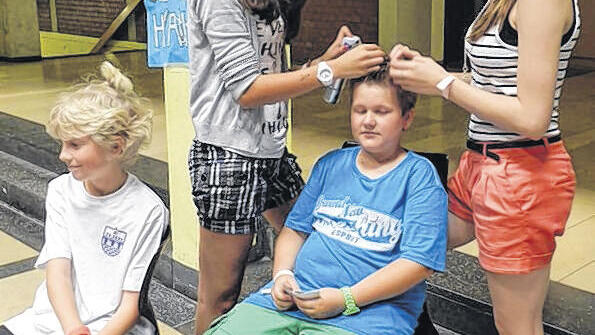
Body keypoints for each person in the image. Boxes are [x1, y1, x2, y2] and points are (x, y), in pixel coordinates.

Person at [200, 67, 448, 335]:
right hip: (294, 301)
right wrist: (282, 275)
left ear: (406, 118)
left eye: (381, 112)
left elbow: (418, 263)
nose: (368, 121)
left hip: (369, 315)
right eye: (360, 110)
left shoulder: (419, 176)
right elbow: (295, 229)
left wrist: (347, 299)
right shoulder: (330, 164)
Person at [187, 0, 386, 332]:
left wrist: (327, 59)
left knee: (312, 244)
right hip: (227, 156)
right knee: (219, 296)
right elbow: (247, 89)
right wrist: (332, 71)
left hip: (271, 151)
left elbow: (272, 75)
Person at [389, 0, 579, 334]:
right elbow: (496, 80)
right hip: (482, 164)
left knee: (517, 326)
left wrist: (444, 85)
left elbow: (533, 118)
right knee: (403, 239)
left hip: (521, 174)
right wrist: (431, 76)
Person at [1, 61, 169, 335]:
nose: (63, 155)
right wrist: (73, 328)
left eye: (75, 145)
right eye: (62, 144)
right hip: (55, 320)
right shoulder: (60, 191)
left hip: (112, 327)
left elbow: (130, 306)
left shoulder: (148, 211)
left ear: (115, 147)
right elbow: (57, 271)